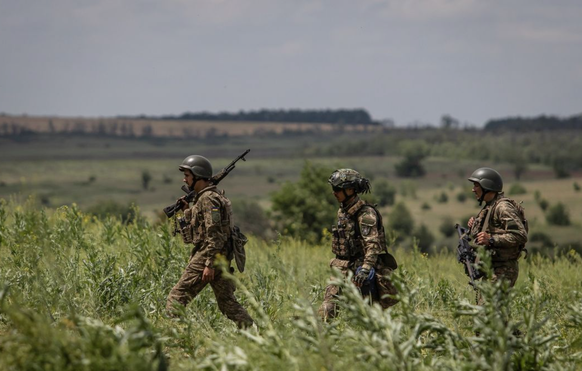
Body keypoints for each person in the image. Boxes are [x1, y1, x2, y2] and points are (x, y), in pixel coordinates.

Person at [166, 155, 254, 328]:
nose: (184, 179)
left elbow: (215, 235)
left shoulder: (208, 199)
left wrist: (209, 264)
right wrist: (186, 212)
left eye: (187, 175)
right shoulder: (204, 198)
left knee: (177, 297)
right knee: (227, 303)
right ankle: (254, 332)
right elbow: (194, 234)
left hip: (209, 254)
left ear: (198, 176)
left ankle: (177, 337)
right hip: (218, 256)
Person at [319, 169, 398, 320]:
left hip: (361, 270)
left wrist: (365, 270)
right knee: (327, 308)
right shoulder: (343, 211)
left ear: (350, 190)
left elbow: (373, 245)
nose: (334, 193)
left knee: (368, 316)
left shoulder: (365, 214)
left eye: (337, 189)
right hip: (342, 268)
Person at [466, 167, 528, 304]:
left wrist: (492, 240)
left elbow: (520, 235)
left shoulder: (503, 207)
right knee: (491, 317)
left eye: (476, 185)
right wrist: (474, 225)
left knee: (490, 315)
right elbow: (487, 233)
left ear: (486, 186)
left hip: (504, 269)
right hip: (493, 268)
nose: (473, 189)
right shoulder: (490, 206)